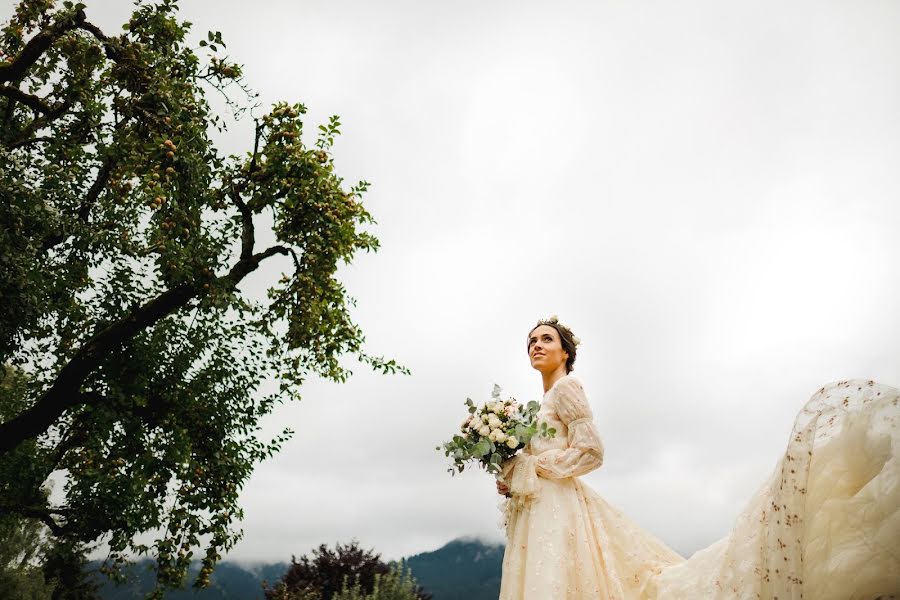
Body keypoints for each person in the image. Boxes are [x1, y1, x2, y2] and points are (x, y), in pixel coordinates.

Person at [496, 316, 900, 599]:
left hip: (561, 506)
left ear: (565, 352)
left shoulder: (568, 389)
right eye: (531, 341)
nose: (536, 345)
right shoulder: (538, 404)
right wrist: (512, 471)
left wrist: (533, 467)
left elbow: (591, 451)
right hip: (538, 508)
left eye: (546, 339)